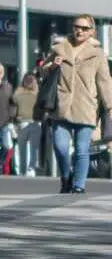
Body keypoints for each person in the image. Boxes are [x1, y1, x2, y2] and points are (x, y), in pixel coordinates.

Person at [41, 15, 112, 194]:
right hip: (61, 106)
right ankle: (66, 177)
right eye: (76, 27)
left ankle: (78, 185)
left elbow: (105, 82)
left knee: (82, 150)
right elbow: (42, 71)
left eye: (84, 28)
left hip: (86, 107)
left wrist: (110, 107)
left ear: (92, 31)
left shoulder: (97, 54)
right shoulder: (60, 48)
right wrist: (51, 66)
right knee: (60, 147)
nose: (79, 31)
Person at [12, 73, 41, 176]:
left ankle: (22, 170)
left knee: (22, 148)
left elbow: (13, 104)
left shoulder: (18, 93)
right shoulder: (38, 94)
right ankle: (31, 169)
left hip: (22, 122)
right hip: (35, 122)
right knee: (34, 148)